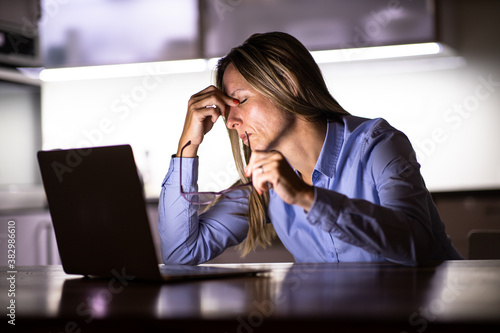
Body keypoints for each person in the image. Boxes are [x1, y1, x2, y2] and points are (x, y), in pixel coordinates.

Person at [158, 31, 462, 266]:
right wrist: (188, 146)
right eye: (227, 110)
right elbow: (180, 254)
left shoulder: (378, 145)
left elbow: (416, 246)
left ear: (288, 84)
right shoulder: (265, 183)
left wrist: (307, 197)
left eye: (241, 100)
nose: (230, 121)